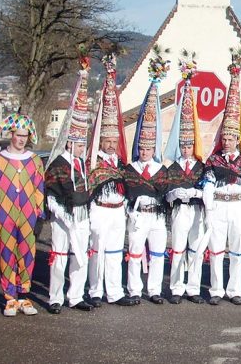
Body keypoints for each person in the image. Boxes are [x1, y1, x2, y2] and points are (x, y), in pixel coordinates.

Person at [200, 55, 241, 306]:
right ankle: (216, 290)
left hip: (237, 205)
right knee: (216, 249)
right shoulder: (213, 161)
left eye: (231, 138)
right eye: (224, 138)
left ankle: (234, 289)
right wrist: (209, 207)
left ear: (238, 139)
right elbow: (207, 184)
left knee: (237, 248)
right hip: (218, 205)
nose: (227, 142)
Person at [86, 53, 137, 308]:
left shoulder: (120, 163)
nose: (110, 145)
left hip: (118, 211)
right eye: (106, 141)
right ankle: (95, 290)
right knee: (97, 251)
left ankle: (115, 292)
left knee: (116, 252)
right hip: (100, 211)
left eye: (113, 141)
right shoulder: (94, 162)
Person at [44, 55, 94, 314]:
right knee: (60, 257)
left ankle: (75, 295)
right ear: (69, 142)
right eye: (79, 143)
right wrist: (62, 213)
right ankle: (55, 297)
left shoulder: (83, 164)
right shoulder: (58, 165)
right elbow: (51, 194)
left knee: (80, 257)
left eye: (84, 143)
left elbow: (88, 191)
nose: (82, 147)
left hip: (81, 216)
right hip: (63, 217)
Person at [0, 113, 45, 317]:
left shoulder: (35, 161)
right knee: (7, 254)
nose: (22, 139)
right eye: (18, 135)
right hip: (5, 216)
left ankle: (23, 295)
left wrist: (40, 214)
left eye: (25, 136)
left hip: (28, 216)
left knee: (27, 254)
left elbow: (39, 189)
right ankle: (10, 297)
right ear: (11, 134)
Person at [124, 60, 169, 305]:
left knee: (158, 253)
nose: (144, 150)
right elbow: (128, 192)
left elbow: (166, 192)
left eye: (148, 147)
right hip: (139, 216)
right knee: (134, 253)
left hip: (157, 217)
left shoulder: (162, 169)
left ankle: (154, 289)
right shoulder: (131, 169)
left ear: (154, 148)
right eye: (141, 147)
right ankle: (134, 289)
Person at [165, 56, 207, 305]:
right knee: (179, 247)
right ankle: (177, 288)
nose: (187, 147)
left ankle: (193, 288)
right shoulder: (174, 166)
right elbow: (168, 191)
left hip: (197, 211)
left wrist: (198, 194)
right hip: (180, 211)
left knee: (196, 248)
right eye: (184, 144)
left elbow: (207, 188)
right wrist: (176, 194)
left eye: (190, 144)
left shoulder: (202, 166)